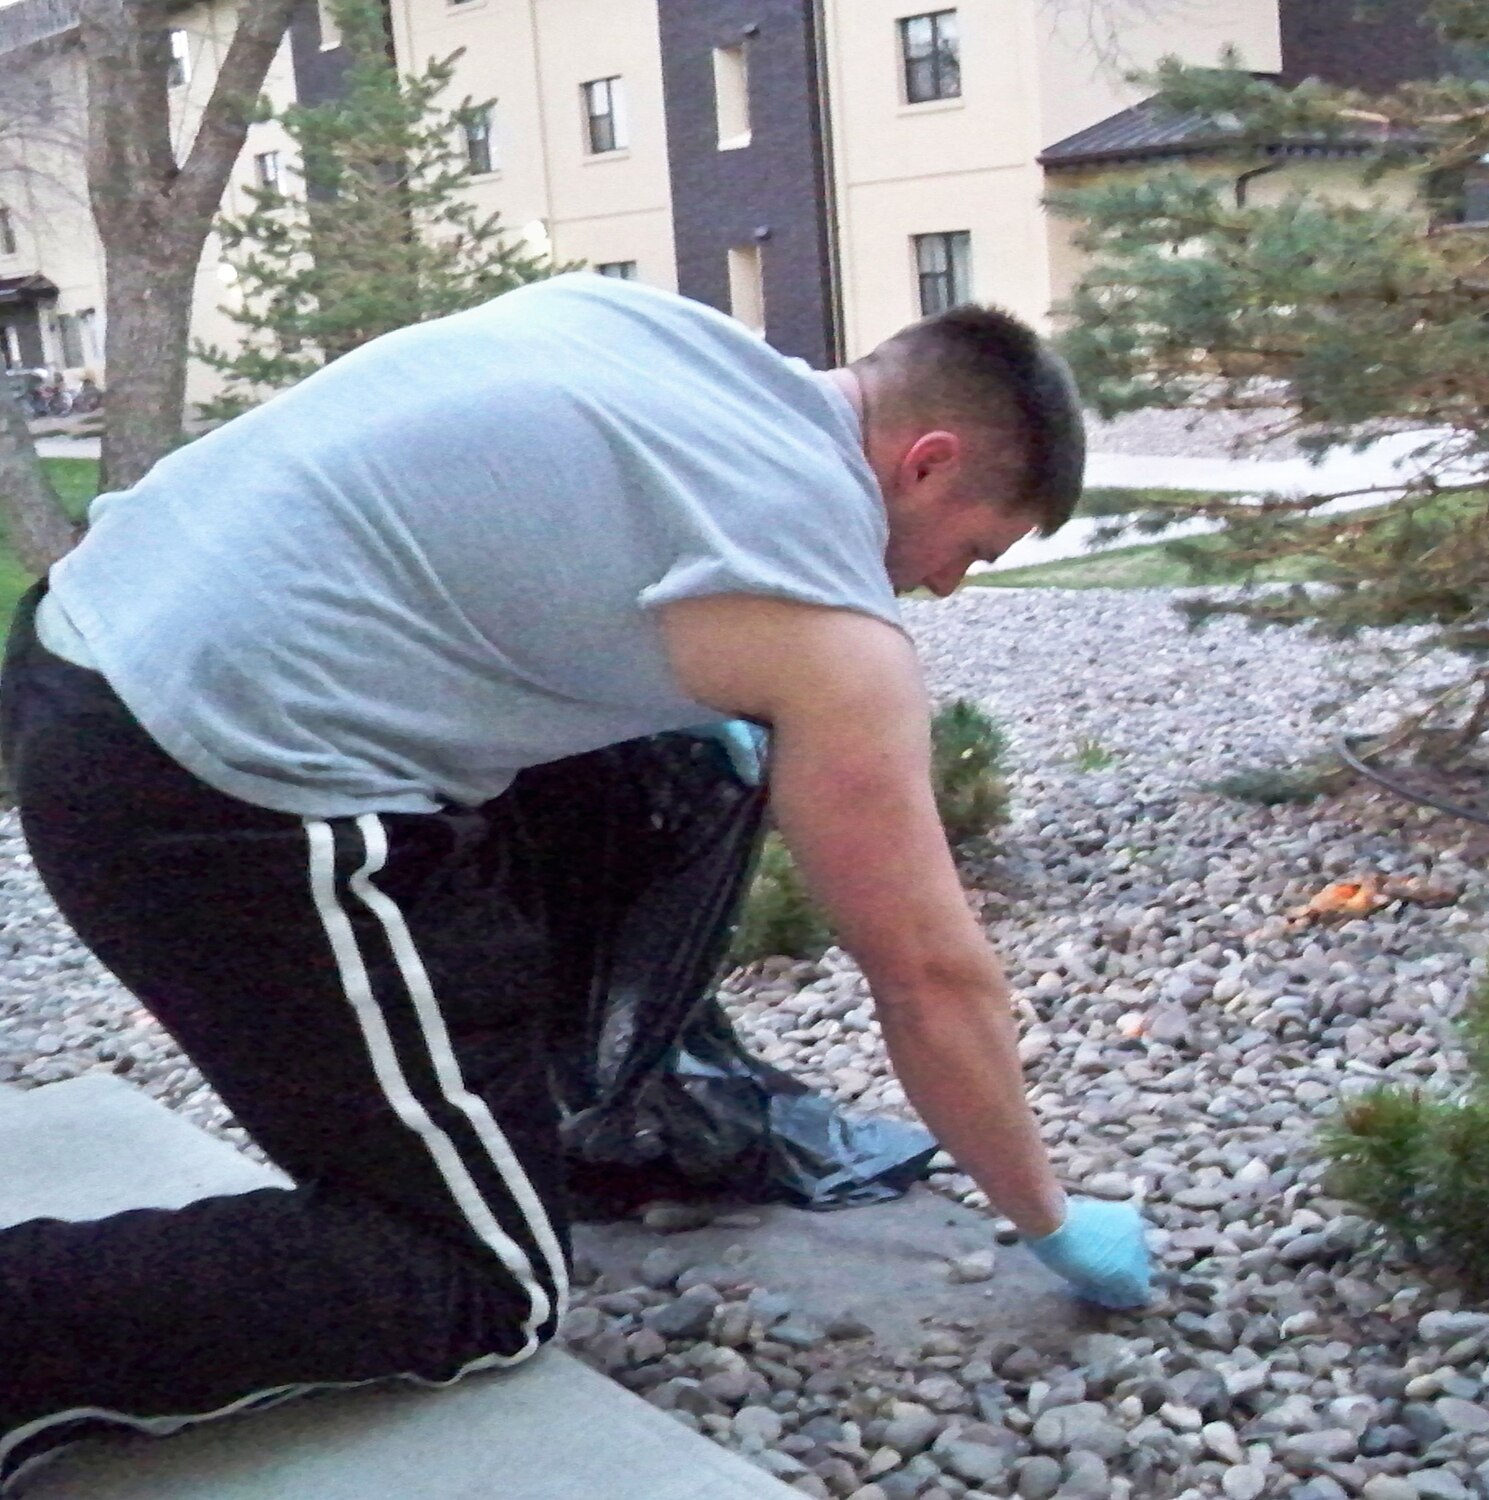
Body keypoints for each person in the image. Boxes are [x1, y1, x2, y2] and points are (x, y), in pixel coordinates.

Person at [0, 273, 1152, 1488]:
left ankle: (533, 1113)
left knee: (672, 760)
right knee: (473, 1275)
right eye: (973, 548)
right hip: (205, 779)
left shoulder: (674, 339)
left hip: (86, 635)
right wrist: (1047, 1217)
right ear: (925, 463)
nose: (948, 587)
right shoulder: (813, 605)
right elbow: (926, 975)